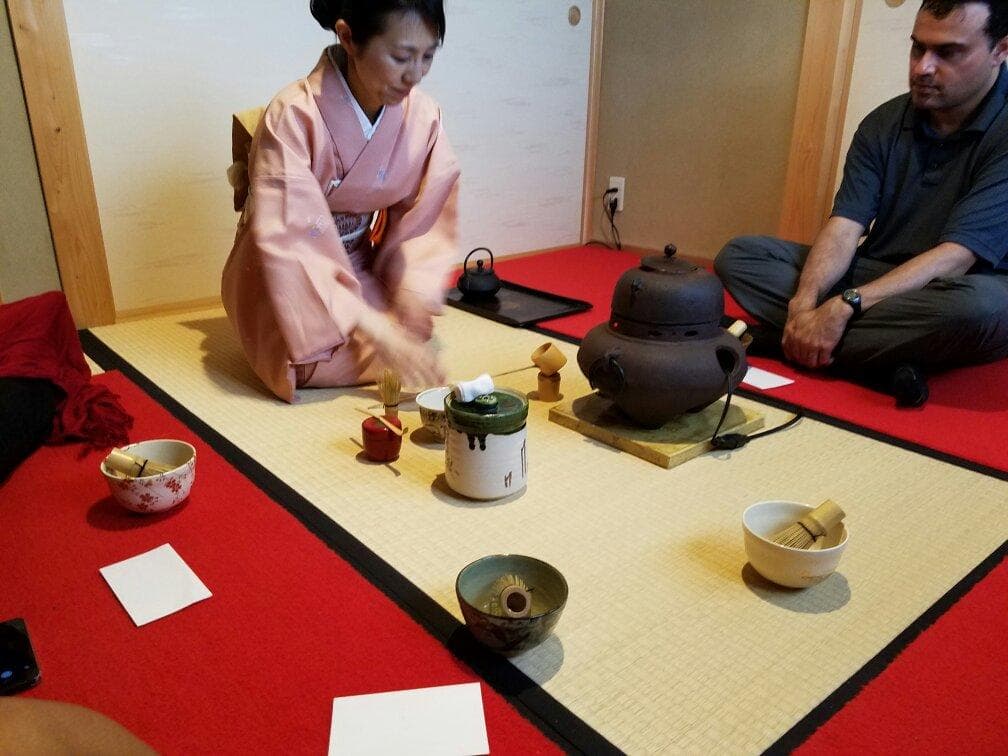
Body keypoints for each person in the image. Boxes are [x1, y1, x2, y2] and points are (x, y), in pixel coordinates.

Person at [714, 0, 1008, 406]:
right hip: (878, 275)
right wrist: (804, 303)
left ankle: (781, 340)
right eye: (918, 47)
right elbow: (844, 227)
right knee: (742, 256)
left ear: (1000, 50)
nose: (923, 67)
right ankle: (881, 362)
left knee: (980, 309)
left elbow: (957, 257)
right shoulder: (883, 123)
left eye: (948, 52)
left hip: (963, 287)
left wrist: (847, 305)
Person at [222, 0, 459, 402]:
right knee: (307, 355)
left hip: (355, 263)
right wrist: (374, 327)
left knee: (409, 336)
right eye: (401, 56)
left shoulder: (424, 116)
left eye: (427, 57)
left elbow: (424, 220)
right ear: (348, 37)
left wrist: (410, 297)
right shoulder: (292, 116)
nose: (415, 75)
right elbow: (290, 240)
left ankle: (371, 325)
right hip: (284, 272)